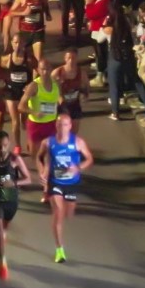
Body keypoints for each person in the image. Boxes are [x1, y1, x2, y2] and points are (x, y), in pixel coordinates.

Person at [37, 112, 94, 264]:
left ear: (70, 126)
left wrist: (78, 167)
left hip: (72, 183)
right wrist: (42, 171)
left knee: (69, 213)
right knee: (58, 213)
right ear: (56, 126)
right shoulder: (48, 142)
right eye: (60, 125)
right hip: (55, 182)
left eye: (65, 125)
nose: (62, 128)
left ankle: (64, 218)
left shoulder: (78, 142)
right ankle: (59, 250)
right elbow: (39, 157)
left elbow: (89, 158)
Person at [0, 129, 33, 281]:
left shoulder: (15, 159)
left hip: (10, 200)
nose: (2, 149)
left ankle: (3, 236)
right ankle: (2, 261)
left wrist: (14, 183)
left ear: (8, 145)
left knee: (4, 227)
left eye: (4, 146)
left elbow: (28, 179)